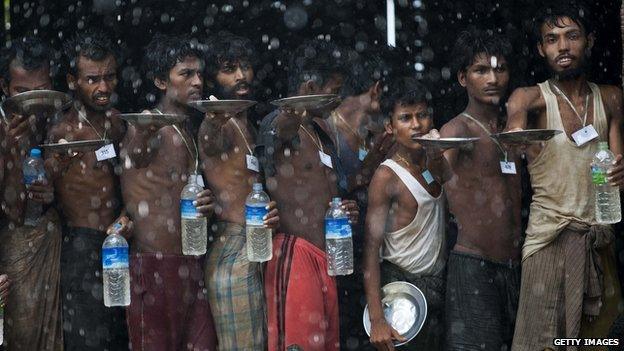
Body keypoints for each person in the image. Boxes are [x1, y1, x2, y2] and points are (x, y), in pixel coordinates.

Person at [505, 3, 623, 349]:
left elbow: (617, 165)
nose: (563, 47)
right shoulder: (529, 98)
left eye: (572, 36)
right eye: (552, 39)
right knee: (541, 344)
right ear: (542, 49)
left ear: (589, 41)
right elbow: (514, 132)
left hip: (598, 240)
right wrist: (514, 138)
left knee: (600, 340)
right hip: (548, 242)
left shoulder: (611, 98)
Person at [256, 39, 359, 351]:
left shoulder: (321, 132)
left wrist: (345, 210)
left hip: (326, 256)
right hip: (294, 254)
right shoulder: (279, 122)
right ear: (313, 85)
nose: (338, 100)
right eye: (334, 91)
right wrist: (297, 106)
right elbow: (281, 130)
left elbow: (329, 189)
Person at [425, 30, 522, 351]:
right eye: (481, 70)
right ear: (463, 78)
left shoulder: (513, 126)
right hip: (474, 266)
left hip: (516, 264)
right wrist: (434, 155)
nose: (493, 78)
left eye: (500, 68)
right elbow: (437, 178)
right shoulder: (458, 129)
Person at [119, 34, 216, 351]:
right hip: (154, 266)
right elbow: (136, 155)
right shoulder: (147, 125)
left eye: (200, 73)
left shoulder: (189, 128)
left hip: (193, 263)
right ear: (161, 81)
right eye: (186, 74)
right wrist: (143, 131)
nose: (197, 81)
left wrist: (208, 204)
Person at [200, 33, 279, 351]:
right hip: (233, 248)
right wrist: (212, 119)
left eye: (245, 66)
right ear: (213, 79)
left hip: (257, 245)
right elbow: (208, 140)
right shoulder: (218, 122)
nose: (240, 75)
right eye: (229, 69)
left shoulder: (248, 123)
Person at [364, 78, 446, 351]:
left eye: (422, 116)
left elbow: (447, 181)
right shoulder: (386, 177)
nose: (416, 125)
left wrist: (436, 155)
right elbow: (370, 251)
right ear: (390, 126)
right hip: (401, 296)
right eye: (406, 118)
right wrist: (377, 320)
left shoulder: (432, 163)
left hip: (436, 290)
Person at [325, 49, 395, 349]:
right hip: (335, 251)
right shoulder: (326, 127)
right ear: (376, 89)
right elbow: (331, 189)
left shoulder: (374, 128)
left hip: (371, 251)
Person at [0, 36, 62, 350]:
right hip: (12, 251)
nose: (30, 103)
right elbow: (10, 210)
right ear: (4, 87)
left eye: (40, 93)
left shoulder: (58, 121)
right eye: (21, 94)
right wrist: (9, 150)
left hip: (50, 243)